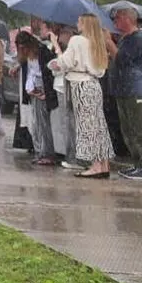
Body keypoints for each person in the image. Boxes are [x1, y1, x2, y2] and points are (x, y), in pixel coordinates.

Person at [53, 13, 115, 178]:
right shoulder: (97, 43)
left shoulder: (77, 40)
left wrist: (56, 52)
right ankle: (103, 164)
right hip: (94, 84)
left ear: (85, 24)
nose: (76, 23)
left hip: (80, 84)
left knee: (87, 126)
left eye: (79, 21)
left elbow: (66, 62)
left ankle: (95, 165)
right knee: (99, 125)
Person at [107, 7, 142, 180]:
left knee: (141, 129)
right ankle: (137, 163)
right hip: (123, 90)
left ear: (127, 19)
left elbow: (122, 60)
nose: (114, 23)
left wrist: (109, 42)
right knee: (129, 130)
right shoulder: (125, 39)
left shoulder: (138, 40)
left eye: (117, 19)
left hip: (136, 90)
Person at [17, 31, 61, 166]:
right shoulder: (28, 57)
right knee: (36, 123)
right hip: (34, 90)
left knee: (43, 123)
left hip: (43, 89)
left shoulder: (43, 54)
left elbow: (49, 72)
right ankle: (40, 151)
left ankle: (47, 153)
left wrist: (47, 92)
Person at [48, 22, 80, 168]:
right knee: (65, 123)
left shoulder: (74, 48)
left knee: (70, 122)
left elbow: (64, 64)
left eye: (62, 34)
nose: (60, 37)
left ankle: (73, 156)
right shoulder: (68, 49)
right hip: (61, 86)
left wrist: (56, 45)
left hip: (67, 86)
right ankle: (69, 153)